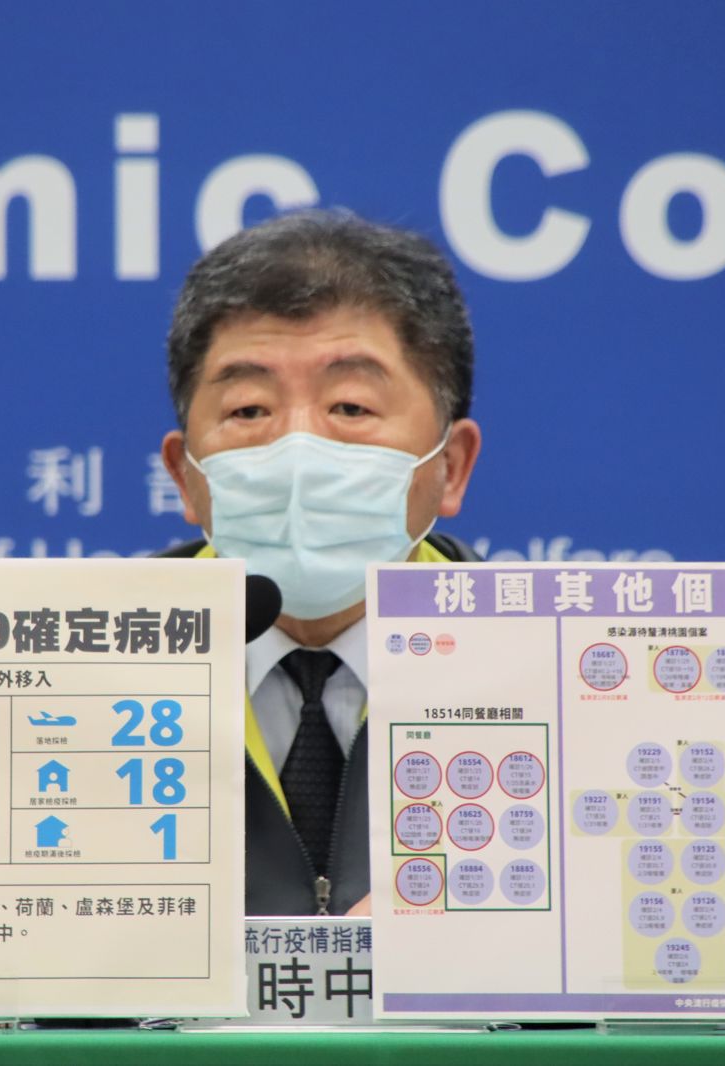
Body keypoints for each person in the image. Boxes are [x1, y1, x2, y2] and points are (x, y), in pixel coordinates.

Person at [157, 210, 482, 915]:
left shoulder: (547, 670)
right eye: (249, 410)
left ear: (451, 467)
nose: (297, 449)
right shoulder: (81, 675)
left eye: (350, 407)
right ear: (185, 476)